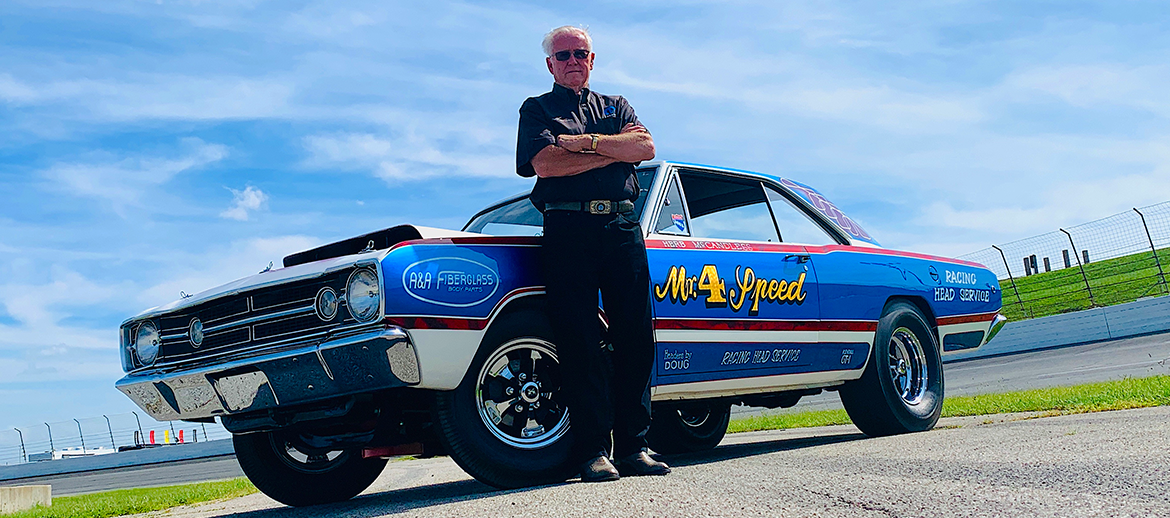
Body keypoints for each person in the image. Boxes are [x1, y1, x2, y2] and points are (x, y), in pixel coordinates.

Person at [515, 25, 669, 482]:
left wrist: (584, 144)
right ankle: (591, 452)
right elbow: (543, 164)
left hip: (622, 226)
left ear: (592, 58)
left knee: (635, 335)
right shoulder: (536, 109)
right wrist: (614, 152)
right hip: (567, 228)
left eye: (580, 52)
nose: (573, 60)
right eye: (563, 55)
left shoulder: (616, 105)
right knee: (579, 339)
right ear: (550, 64)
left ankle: (634, 448)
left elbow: (645, 147)